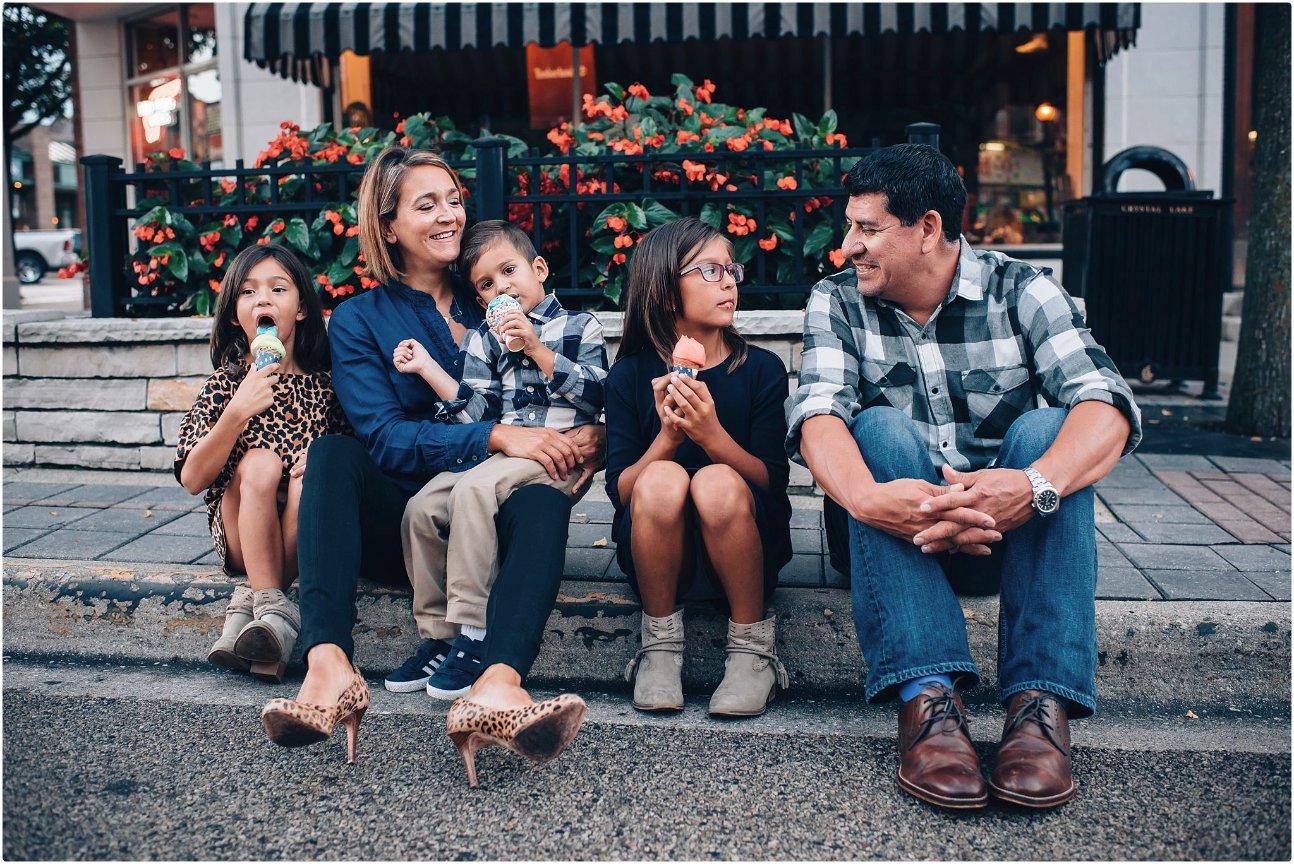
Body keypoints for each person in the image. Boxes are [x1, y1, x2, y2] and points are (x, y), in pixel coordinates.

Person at [786, 144, 1141, 810]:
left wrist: (1031, 487)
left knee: (1046, 433)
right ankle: (929, 700)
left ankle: (1039, 707)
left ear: (927, 228)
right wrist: (868, 499)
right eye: (849, 227)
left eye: (866, 229)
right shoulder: (835, 301)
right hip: (887, 537)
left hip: (1002, 539)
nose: (847, 247)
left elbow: (1108, 406)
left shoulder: (1022, 289)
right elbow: (816, 416)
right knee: (878, 430)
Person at [258, 148, 596, 782]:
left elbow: (563, 382)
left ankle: (498, 686)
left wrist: (589, 436)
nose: (450, 215)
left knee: (543, 499)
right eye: (427, 204)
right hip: (412, 527)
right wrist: (496, 436)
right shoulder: (360, 319)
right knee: (333, 452)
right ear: (388, 227)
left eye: (454, 199)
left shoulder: (495, 290)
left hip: (499, 521)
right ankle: (329, 667)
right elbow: (384, 438)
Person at [393, 219, 608, 700]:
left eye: (508, 272)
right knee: (421, 508)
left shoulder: (579, 325)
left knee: (472, 490)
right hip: (502, 456)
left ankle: (474, 635)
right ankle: (438, 635)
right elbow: (479, 414)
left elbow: (597, 394)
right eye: (486, 285)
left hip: (558, 453)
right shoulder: (481, 341)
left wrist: (534, 345)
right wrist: (428, 369)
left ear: (539, 269)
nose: (501, 289)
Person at [605, 217, 792, 718]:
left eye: (731, 268)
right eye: (710, 270)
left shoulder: (762, 371)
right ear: (667, 293)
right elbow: (621, 492)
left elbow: (772, 482)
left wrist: (711, 436)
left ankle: (753, 650)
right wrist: (667, 439)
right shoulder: (629, 375)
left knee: (715, 481)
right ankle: (660, 647)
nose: (729, 280)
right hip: (659, 563)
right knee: (660, 479)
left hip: (746, 552)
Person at [175, 244, 348, 684]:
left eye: (278, 288)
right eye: (249, 292)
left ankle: (258, 622)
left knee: (313, 475)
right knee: (259, 462)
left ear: (303, 309)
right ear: (236, 315)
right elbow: (193, 479)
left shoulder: (327, 387)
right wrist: (235, 412)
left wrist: (323, 457)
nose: (264, 300)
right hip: (239, 534)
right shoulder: (226, 383)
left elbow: (352, 457)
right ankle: (269, 601)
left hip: (301, 536)